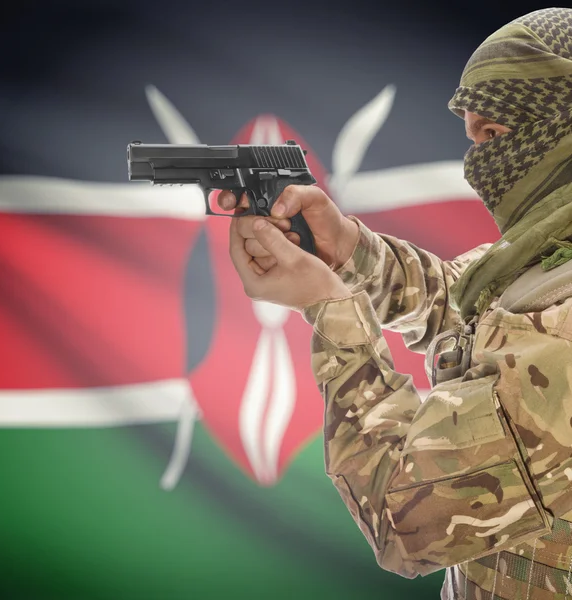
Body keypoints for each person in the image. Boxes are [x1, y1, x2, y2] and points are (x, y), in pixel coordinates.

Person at [219, 7, 572, 599]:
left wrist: (331, 309)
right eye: (472, 137)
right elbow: (470, 306)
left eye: (495, 135)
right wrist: (349, 250)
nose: (478, 164)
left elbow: (404, 521)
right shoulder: (549, 255)